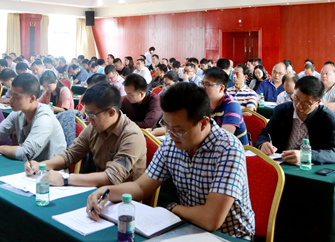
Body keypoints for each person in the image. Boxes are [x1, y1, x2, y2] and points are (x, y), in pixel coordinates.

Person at [86, 82, 255, 239]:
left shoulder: (228, 148)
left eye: (178, 130)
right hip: (189, 228)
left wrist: (173, 208)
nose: (171, 135)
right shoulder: (171, 144)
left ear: (203, 123)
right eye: (167, 126)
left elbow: (211, 220)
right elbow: (141, 187)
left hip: (229, 236)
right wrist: (106, 191)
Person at [25, 83, 146, 187]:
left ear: (111, 112)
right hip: (97, 191)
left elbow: (112, 176)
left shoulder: (131, 136)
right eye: (87, 113)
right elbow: (71, 154)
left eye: (92, 115)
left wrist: (64, 179)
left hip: (122, 198)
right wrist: (42, 165)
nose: (88, 119)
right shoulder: (95, 127)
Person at [0, 73, 67, 161]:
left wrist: (0, 149)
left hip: (50, 172)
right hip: (30, 167)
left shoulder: (44, 118)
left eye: (16, 97)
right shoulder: (19, 113)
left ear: (32, 99)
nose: (11, 100)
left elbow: (26, 153)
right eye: (11, 95)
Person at [256, 76, 335, 164]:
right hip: (281, 163)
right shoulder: (282, 111)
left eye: (306, 104)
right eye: (296, 98)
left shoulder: (329, 120)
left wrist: (306, 155)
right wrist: (263, 144)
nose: (298, 105)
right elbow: (266, 133)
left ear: (318, 103)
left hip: (310, 167)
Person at [202, 68, 249, 145]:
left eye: (207, 84)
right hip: (209, 147)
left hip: (234, 149)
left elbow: (224, 139)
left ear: (221, 88)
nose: (203, 87)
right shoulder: (203, 103)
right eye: (202, 83)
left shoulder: (232, 105)